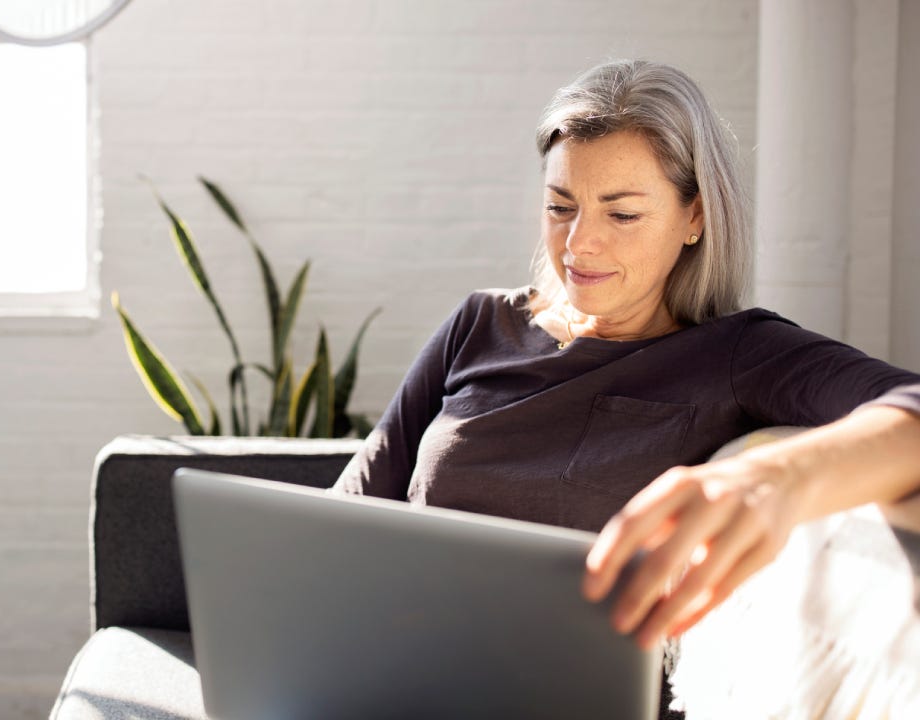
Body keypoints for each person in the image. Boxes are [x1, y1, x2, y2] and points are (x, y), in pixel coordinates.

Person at [330, 59, 920, 716]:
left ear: (694, 217)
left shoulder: (739, 352)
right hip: (397, 684)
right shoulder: (479, 323)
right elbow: (342, 523)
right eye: (561, 207)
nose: (580, 244)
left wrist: (778, 479)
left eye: (623, 214)